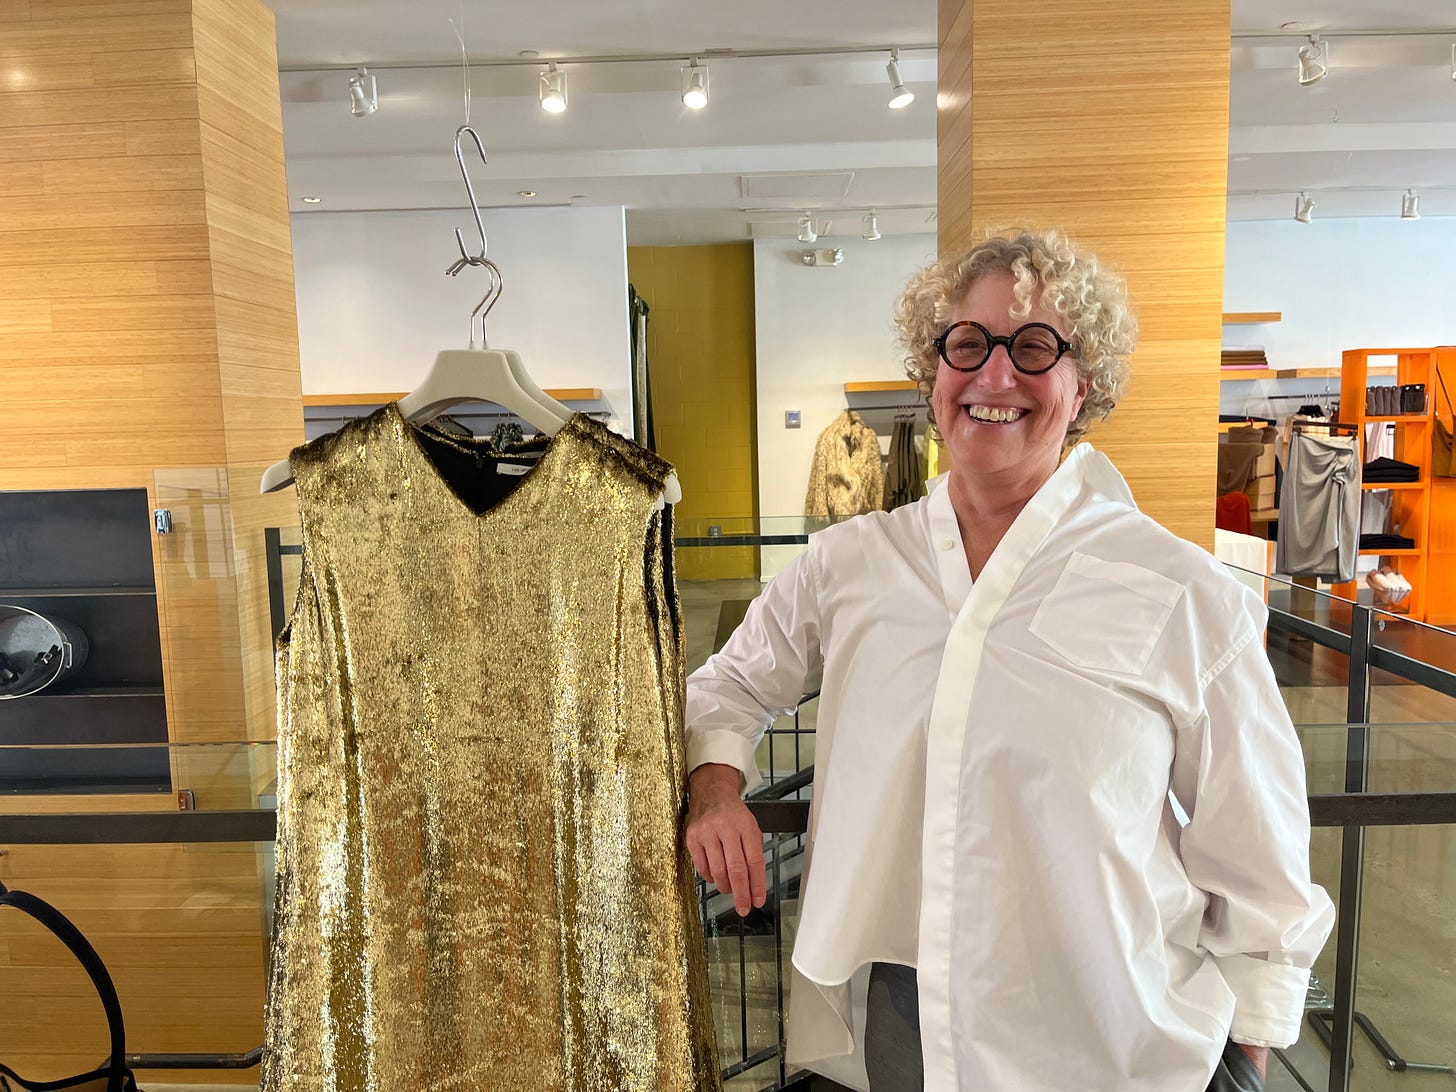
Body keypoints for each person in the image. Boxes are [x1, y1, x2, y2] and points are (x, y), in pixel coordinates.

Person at [683, 228, 1335, 1091]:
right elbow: (725, 687)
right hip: (904, 1026)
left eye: (1034, 348)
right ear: (934, 371)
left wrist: (1246, 1045)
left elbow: (1258, 839)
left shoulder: (1178, 590)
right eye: (968, 345)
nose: (995, 376)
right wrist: (717, 786)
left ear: (1082, 381)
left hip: (1113, 1031)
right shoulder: (852, 564)